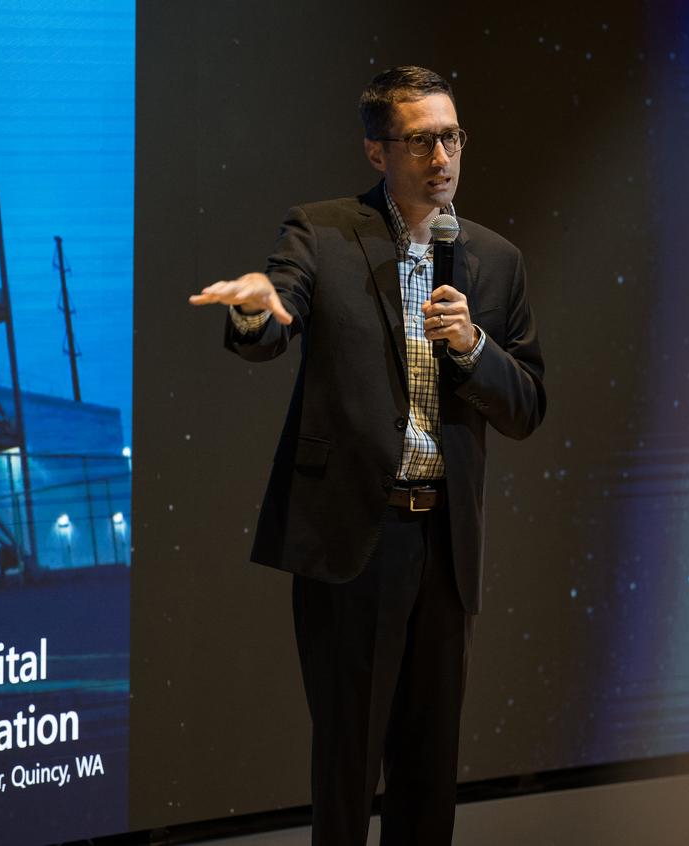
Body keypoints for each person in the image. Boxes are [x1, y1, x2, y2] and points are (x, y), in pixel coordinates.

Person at [190, 66, 545, 846]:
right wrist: (255, 313)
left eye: (451, 136)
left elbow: (526, 404)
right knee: (348, 765)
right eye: (420, 140)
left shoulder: (495, 259)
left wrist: (475, 346)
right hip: (358, 541)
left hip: (445, 546)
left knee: (429, 766)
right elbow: (274, 321)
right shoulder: (321, 232)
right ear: (378, 152)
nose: (442, 156)